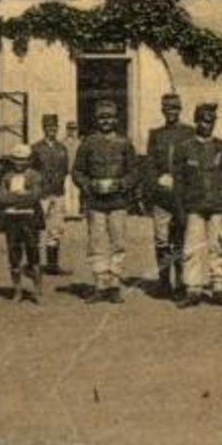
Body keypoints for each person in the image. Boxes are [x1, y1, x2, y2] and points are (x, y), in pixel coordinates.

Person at [173, 101, 222, 308]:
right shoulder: (185, 148)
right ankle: (193, 289)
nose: (206, 125)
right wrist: (180, 210)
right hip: (193, 206)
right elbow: (179, 182)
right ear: (195, 121)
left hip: (217, 206)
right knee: (192, 248)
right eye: (202, 120)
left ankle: (218, 287)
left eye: (210, 121)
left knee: (218, 247)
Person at [72, 99, 137, 303]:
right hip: (96, 203)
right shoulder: (88, 143)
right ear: (97, 119)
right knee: (97, 243)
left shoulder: (124, 143)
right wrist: (88, 185)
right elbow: (77, 171)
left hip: (118, 201)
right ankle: (100, 283)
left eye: (109, 117)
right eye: (102, 117)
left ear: (116, 119)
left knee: (118, 242)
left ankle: (115, 284)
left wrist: (122, 184)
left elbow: (134, 171)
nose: (106, 121)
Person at [143, 92, 196, 299]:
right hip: (162, 196)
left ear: (180, 109)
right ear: (162, 110)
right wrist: (157, 181)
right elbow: (149, 164)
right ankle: (164, 282)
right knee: (161, 239)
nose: (171, 112)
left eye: (174, 108)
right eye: (167, 109)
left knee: (181, 239)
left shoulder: (189, 132)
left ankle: (182, 283)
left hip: (183, 196)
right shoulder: (156, 134)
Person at [0, 143, 45, 303]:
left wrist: (15, 198)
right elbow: (2, 198)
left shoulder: (35, 176)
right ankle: (17, 290)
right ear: (12, 160)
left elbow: (35, 197)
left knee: (33, 253)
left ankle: (37, 291)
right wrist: (22, 197)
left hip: (30, 218)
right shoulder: (7, 177)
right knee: (14, 255)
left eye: (23, 160)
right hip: (11, 219)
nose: (20, 163)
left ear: (29, 161)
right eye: (17, 159)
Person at [32, 114, 71, 277]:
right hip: (42, 194)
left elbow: (65, 169)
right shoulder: (36, 148)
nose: (51, 130)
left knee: (55, 229)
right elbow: (32, 172)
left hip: (57, 192)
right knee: (37, 228)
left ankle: (52, 265)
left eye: (54, 127)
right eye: (48, 127)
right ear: (43, 128)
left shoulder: (62, 148)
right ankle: (34, 265)